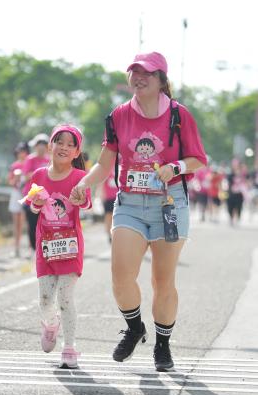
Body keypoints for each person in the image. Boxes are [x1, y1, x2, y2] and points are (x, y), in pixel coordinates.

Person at [70, 52, 207, 372]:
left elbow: (198, 159)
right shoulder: (118, 115)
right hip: (129, 203)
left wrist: (175, 167)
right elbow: (105, 164)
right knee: (120, 276)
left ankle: (162, 345)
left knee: (163, 281)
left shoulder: (178, 115)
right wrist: (84, 183)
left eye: (145, 72)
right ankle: (134, 328)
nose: (138, 77)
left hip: (168, 203)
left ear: (161, 79)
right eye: (133, 71)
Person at [28, 124, 91, 369]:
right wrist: (36, 202)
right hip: (46, 248)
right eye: (59, 142)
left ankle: (70, 346)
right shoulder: (38, 176)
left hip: (71, 247)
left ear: (77, 152)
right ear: (50, 146)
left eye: (70, 144)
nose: (64, 147)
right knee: (45, 300)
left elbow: (85, 203)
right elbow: (33, 207)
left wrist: (79, 199)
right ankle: (51, 324)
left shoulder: (79, 177)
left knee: (65, 297)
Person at [22, 133, 50, 253]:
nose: (41, 147)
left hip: (46, 198)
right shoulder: (30, 159)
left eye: (44, 145)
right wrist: (40, 173)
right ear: (35, 147)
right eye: (39, 145)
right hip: (32, 197)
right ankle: (34, 248)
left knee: (46, 224)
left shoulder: (49, 159)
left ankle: (44, 247)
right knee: (32, 224)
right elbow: (27, 176)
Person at [7, 142, 30, 257]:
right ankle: (17, 248)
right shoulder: (14, 166)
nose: (21, 154)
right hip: (16, 193)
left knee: (27, 222)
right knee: (16, 223)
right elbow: (10, 182)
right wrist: (16, 179)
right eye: (19, 152)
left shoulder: (29, 164)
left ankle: (30, 247)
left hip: (28, 193)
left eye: (23, 151)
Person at [101, 168, 117, 243]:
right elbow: (102, 183)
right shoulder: (107, 169)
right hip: (108, 197)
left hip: (118, 197)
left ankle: (116, 234)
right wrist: (102, 195)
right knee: (108, 216)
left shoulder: (120, 167)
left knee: (116, 217)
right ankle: (109, 235)